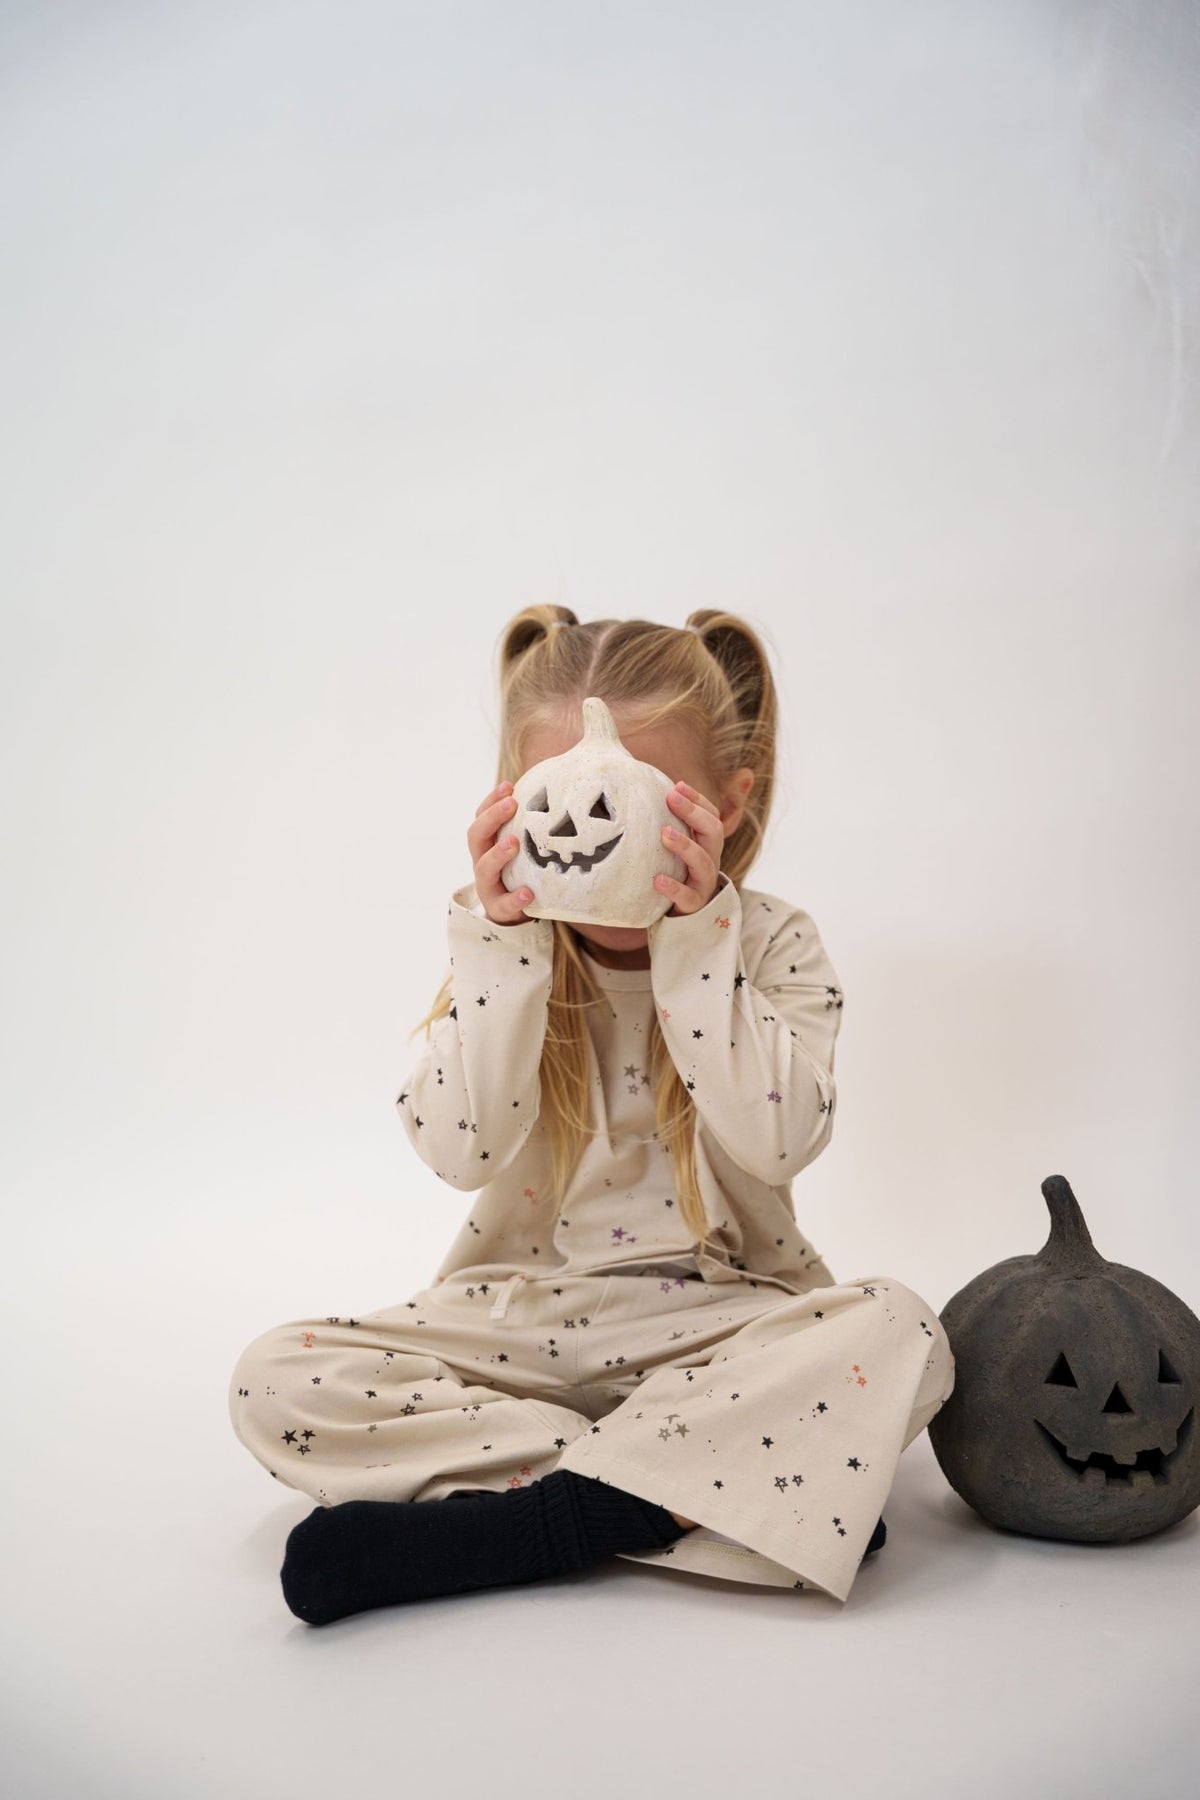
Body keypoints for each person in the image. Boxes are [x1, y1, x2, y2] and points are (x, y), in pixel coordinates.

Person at [228, 606, 955, 1625]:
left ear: (728, 803)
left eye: (640, 802)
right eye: (562, 801)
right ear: (517, 804)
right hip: (517, 1324)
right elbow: (460, 1150)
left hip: (720, 1325)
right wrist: (501, 943)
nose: (594, 832)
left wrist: (696, 940)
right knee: (274, 1380)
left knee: (904, 1330)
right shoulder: (504, 950)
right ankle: (733, 1494)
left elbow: (781, 1139)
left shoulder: (771, 944)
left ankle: (531, 1526)